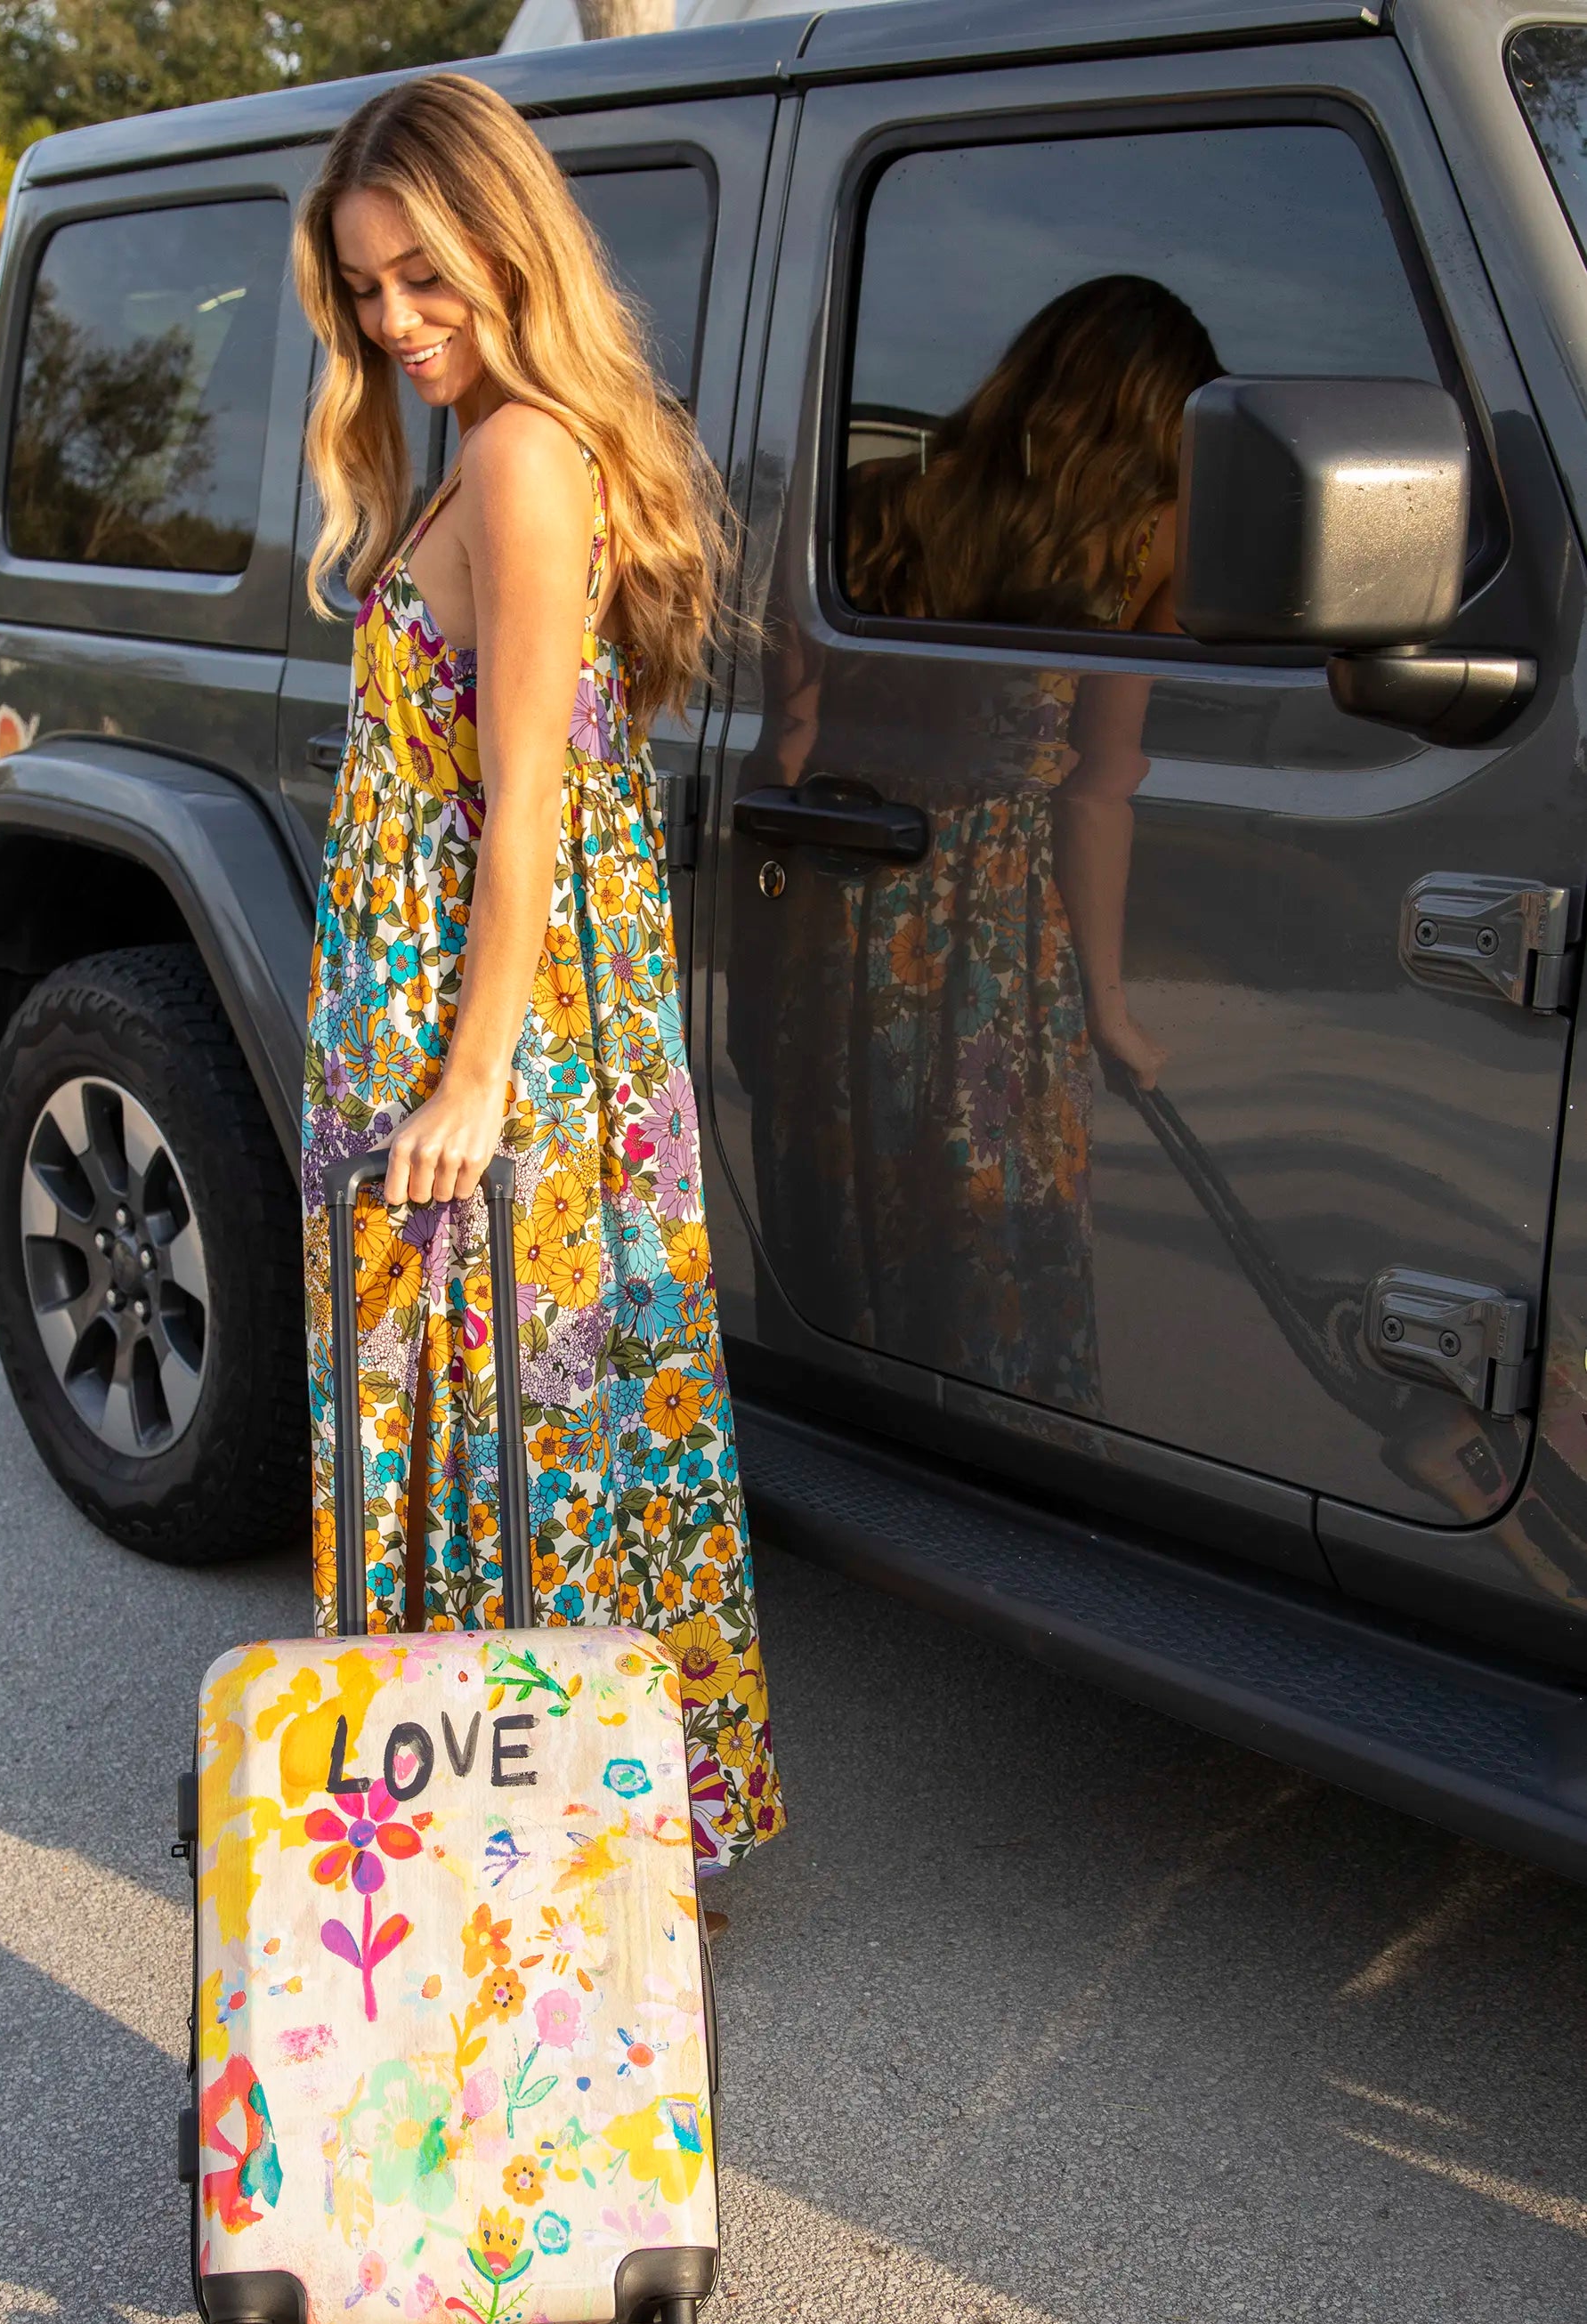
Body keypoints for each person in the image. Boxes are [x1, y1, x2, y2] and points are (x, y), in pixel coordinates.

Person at [290, 71, 783, 1873]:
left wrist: (475, 1076)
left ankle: (540, 1854)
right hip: (448, 1012)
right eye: (366, 288)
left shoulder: (519, 456)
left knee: (514, 1407)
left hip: (486, 1033)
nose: (394, 319)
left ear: (510, 247)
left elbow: (530, 808)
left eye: (425, 274)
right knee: (495, 1404)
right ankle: (517, 1833)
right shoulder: (484, 443)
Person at [754, 274, 1219, 1409]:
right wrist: (1109, 1007)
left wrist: (762, 955)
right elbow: (1099, 787)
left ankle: (860, 1433)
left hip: (844, 909)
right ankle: (1000, 1443)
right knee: (993, 1220)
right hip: (1001, 934)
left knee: (849, 1201)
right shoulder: (1146, 545)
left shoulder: (865, 505)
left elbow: (787, 743)